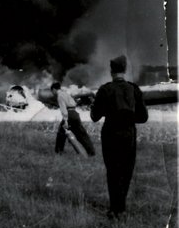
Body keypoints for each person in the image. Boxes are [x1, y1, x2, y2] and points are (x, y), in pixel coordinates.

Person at [91, 55, 148, 219]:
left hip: (110, 133)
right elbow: (143, 117)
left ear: (111, 71)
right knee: (126, 169)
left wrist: (94, 107)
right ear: (124, 70)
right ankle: (121, 208)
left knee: (113, 170)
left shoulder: (105, 89)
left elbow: (95, 116)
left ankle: (115, 209)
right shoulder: (134, 88)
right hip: (128, 134)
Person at [51, 82, 95, 156]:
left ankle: (59, 151)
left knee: (61, 133)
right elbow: (74, 103)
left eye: (52, 91)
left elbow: (63, 109)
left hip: (69, 114)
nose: (53, 93)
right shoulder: (65, 93)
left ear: (54, 89)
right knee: (81, 134)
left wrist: (65, 121)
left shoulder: (60, 96)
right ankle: (91, 151)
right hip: (75, 113)